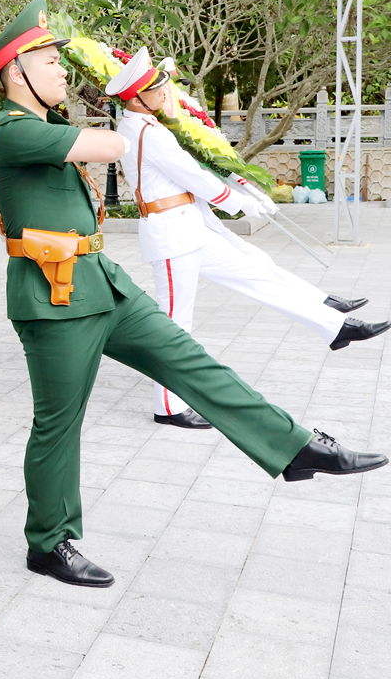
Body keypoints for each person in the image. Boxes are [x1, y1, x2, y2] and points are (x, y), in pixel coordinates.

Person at [0, 0, 386, 587]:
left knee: (193, 364)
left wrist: (149, 99)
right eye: (50, 62)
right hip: (54, 299)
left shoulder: (44, 127)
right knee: (59, 424)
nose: (62, 71)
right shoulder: (16, 131)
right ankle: (49, 542)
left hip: (103, 285)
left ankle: (295, 446)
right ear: (17, 71)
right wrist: (136, 97)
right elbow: (112, 147)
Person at [106, 48, 391, 428]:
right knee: (175, 323)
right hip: (172, 236)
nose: (165, 92)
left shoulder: (152, 126)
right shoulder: (143, 131)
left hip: (191, 226)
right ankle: (168, 407)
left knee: (258, 270)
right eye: (157, 89)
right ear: (136, 98)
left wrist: (235, 184)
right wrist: (234, 201)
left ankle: (334, 326)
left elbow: (191, 168)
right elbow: (188, 175)